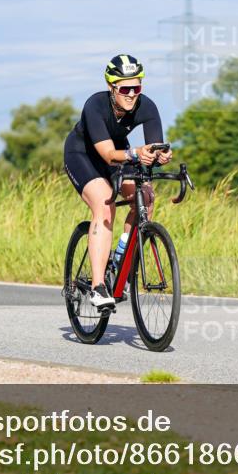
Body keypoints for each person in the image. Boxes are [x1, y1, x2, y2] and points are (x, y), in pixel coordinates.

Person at [63, 54, 172, 309]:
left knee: (145, 196)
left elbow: (152, 147)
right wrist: (136, 153)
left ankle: (122, 259)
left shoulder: (147, 106)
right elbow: (109, 155)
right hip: (84, 154)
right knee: (105, 204)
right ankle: (98, 287)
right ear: (112, 87)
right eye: (125, 88)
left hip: (119, 153)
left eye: (137, 87)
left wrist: (160, 154)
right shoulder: (95, 105)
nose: (132, 94)